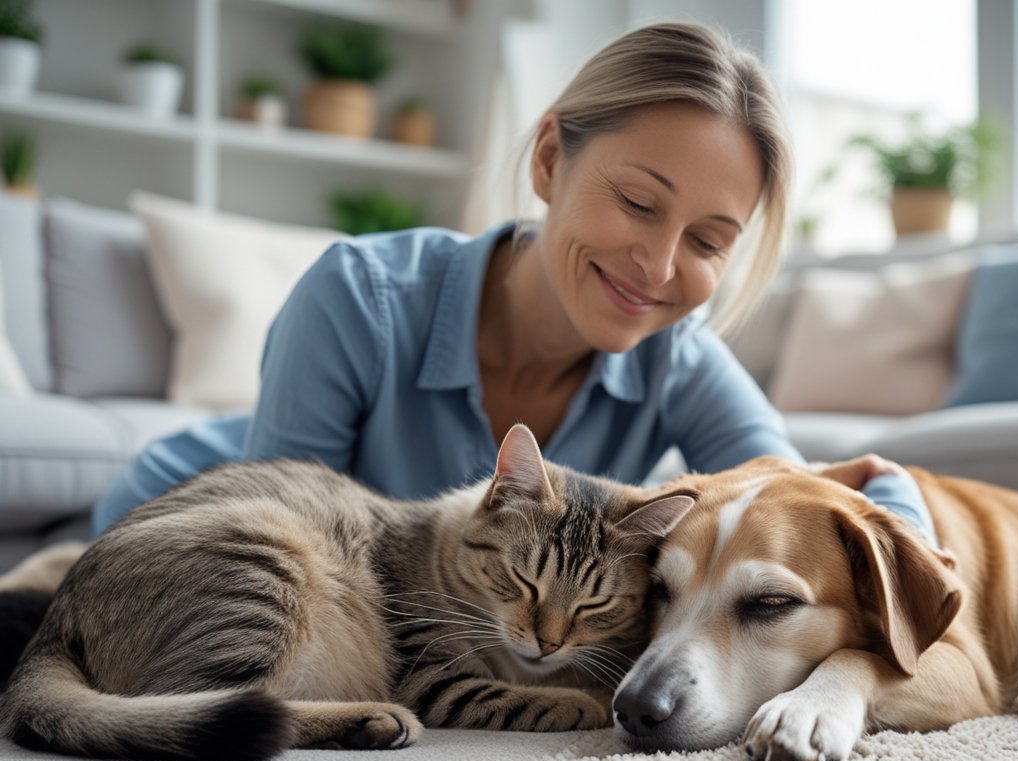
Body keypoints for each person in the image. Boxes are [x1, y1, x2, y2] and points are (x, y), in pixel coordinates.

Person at [92, 22, 936, 544]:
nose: (660, 265)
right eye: (638, 203)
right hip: (183, 513)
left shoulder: (675, 361)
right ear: (547, 160)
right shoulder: (357, 296)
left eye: (709, 241)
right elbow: (294, 560)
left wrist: (899, 518)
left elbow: (802, 511)